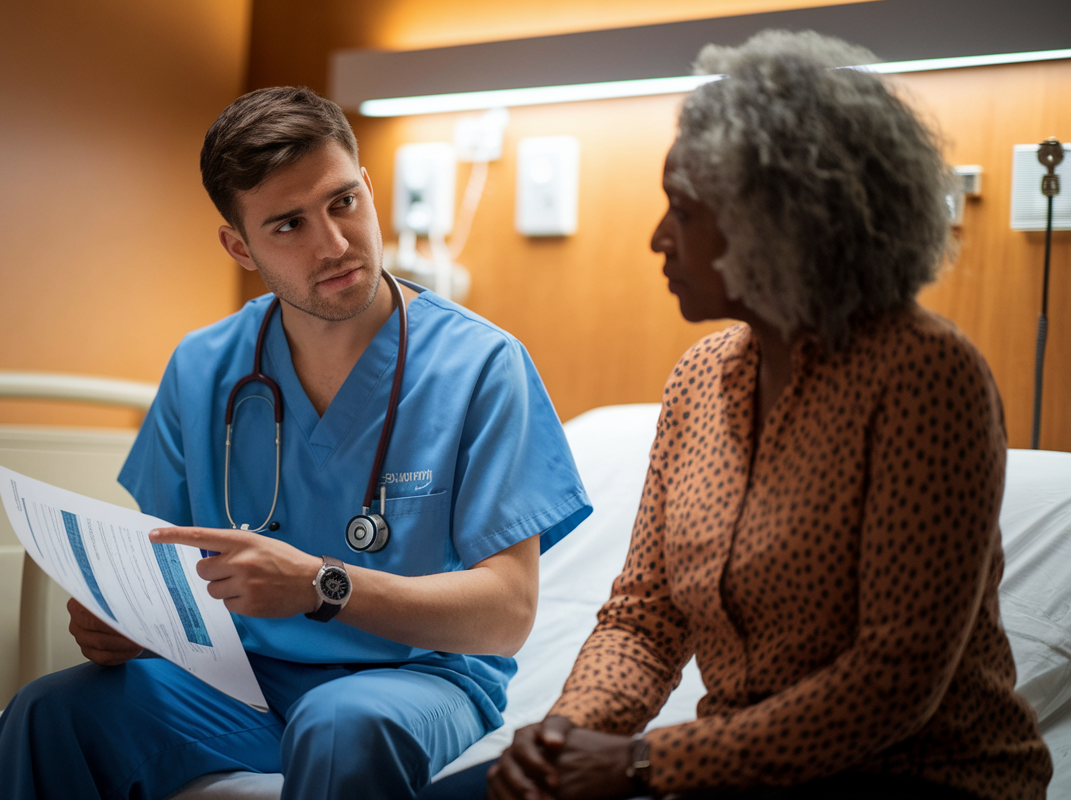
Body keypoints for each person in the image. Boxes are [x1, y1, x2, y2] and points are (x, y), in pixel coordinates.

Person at [420, 29, 1052, 800]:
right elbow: (644, 619)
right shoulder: (700, 379)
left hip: (916, 772)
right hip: (729, 770)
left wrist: (645, 764)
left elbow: (894, 680)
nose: (657, 238)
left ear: (783, 225)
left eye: (683, 211)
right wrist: (569, 734)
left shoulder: (925, 376)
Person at [0, 86, 592, 800]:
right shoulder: (205, 367)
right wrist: (124, 622)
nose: (333, 245)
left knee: (341, 725)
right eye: (287, 225)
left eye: (343, 203)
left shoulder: (482, 366)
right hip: (238, 684)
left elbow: (507, 613)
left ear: (369, 188)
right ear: (238, 246)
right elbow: (166, 563)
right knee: (47, 714)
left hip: (419, 677)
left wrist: (320, 585)